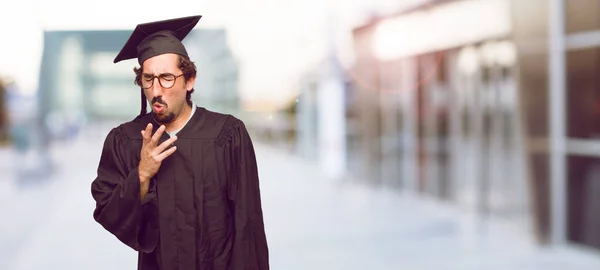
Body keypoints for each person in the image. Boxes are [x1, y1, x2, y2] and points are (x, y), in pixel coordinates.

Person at [90, 15, 269, 270]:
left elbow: (248, 225)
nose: (156, 90)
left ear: (189, 80)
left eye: (166, 77)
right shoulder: (126, 140)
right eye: (148, 79)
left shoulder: (227, 135)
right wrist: (141, 176)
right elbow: (108, 210)